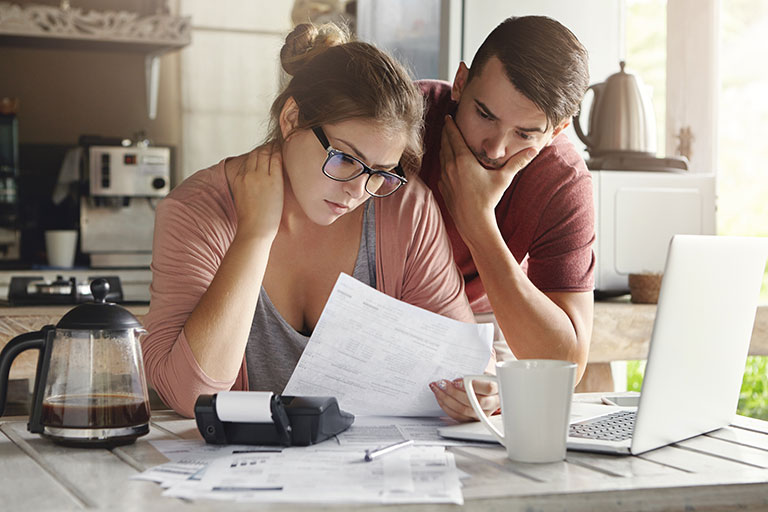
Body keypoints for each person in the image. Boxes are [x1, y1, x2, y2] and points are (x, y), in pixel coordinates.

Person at [141, 23, 499, 420]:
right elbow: (190, 394)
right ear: (292, 119)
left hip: (370, 469)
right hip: (238, 475)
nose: (358, 190)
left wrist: (479, 393)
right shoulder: (196, 211)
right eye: (345, 158)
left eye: (380, 171)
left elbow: (463, 365)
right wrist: (255, 235)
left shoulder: (405, 208)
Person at [420, 16, 596, 415]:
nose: (496, 149)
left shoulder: (562, 180)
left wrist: (478, 222)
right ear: (461, 83)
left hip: (487, 310)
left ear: (557, 130)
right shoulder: (404, 118)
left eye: (525, 134)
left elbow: (565, 365)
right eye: (485, 115)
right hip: (378, 297)